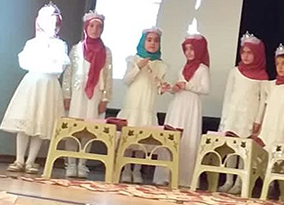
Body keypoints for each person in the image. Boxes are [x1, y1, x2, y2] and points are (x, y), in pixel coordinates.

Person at [0, 3, 70, 174]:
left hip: (48, 86)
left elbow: (58, 67)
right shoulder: (32, 43)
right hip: (32, 84)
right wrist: (43, 62)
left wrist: (44, 62)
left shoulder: (59, 45)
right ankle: (19, 159)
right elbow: (25, 62)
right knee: (25, 121)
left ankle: (31, 161)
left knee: (41, 123)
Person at [154, 34, 210, 187]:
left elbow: (206, 89)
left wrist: (188, 86)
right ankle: (165, 175)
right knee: (171, 137)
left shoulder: (203, 69)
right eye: (186, 49)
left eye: (192, 49)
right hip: (177, 105)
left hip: (191, 106)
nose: (189, 52)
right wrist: (171, 88)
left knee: (188, 138)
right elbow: (179, 88)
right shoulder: (182, 69)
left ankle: (184, 178)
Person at [62, 12, 113, 178]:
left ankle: (82, 163)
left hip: (95, 94)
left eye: (99, 27)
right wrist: (66, 95)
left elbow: (108, 76)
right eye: (91, 26)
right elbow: (68, 74)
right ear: (86, 28)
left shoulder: (106, 51)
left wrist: (105, 98)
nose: (95, 29)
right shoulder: (76, 49)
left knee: (89, 129)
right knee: (74, 128)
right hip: (77, 94)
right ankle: (71, 162)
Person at [217, 32, 269, 194]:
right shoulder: (235, 72)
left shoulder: (262, 76)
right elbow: (228, 95)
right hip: (234, 115)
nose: (245, 56)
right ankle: (228, 180)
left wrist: (258, 120)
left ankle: (239, 182)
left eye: (250, 53)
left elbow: (263, 100)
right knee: (231, 149)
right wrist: (225, 119)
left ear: (257, 54)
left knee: (245, 150)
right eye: (243, 52)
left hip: (249, 116)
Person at [116, 27, 168, 183]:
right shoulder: (133, 59)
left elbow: (158, 87)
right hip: (133, 103)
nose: (152, 43)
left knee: (142, 140)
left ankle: (137, 170)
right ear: (143, 42)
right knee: (129, 137)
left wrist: (163, 88)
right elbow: (126, 80)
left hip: (148, 105)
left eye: (156, 41)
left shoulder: (161, 65)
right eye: (149, 40)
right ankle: (126, 169)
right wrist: (138, 67)